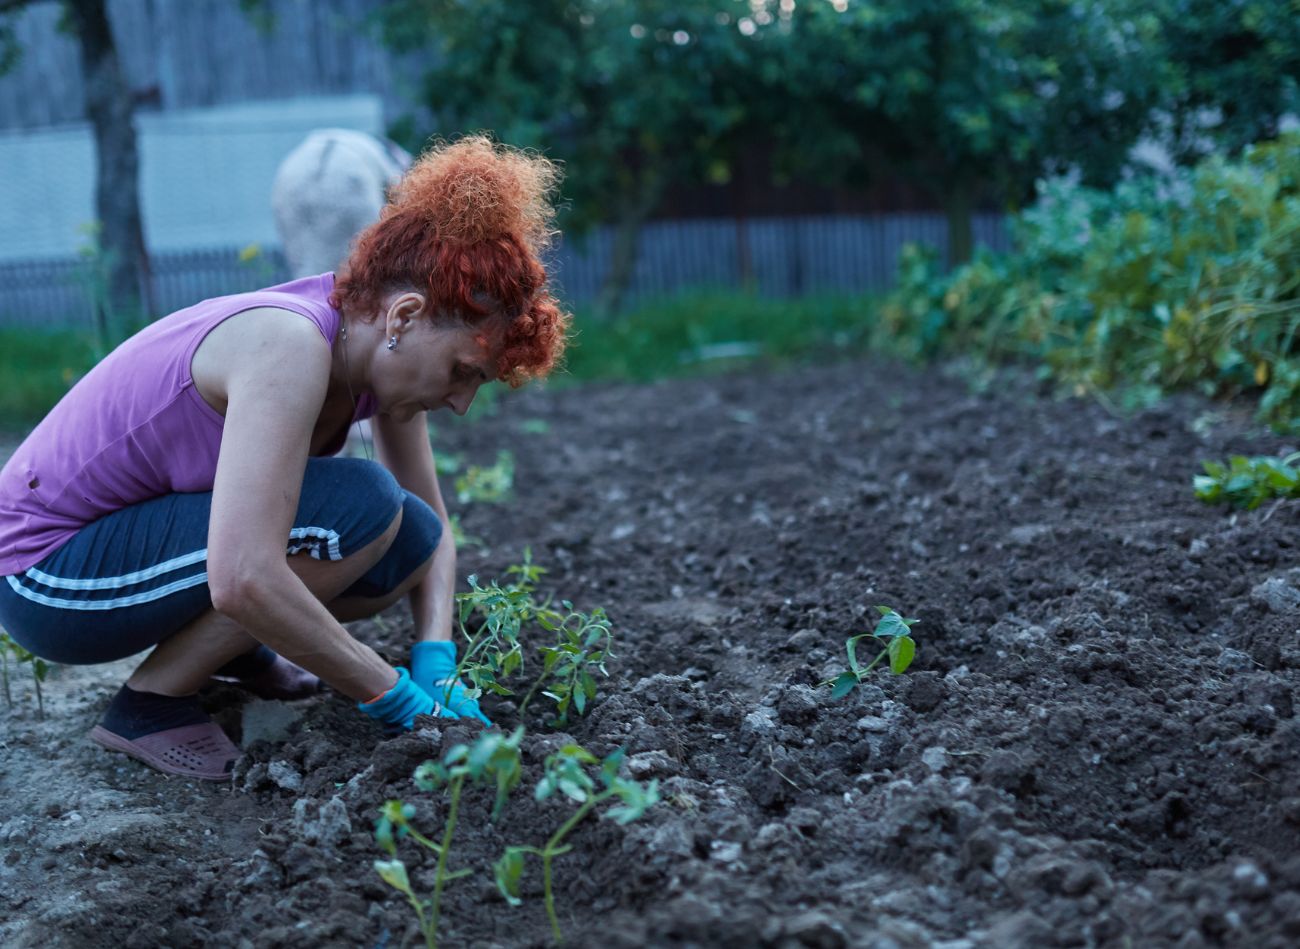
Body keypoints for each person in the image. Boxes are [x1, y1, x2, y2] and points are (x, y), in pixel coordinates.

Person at [0, 136, 569, 781]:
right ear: (404, 316)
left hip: (132, 547)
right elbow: (242, 575)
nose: (462, 402)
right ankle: (150, 704)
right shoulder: (290, 344)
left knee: (407, 535)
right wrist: (397, 698)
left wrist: (434, 652)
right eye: (462, 372)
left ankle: (236, 653)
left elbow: (434, 537)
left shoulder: (373, 359)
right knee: (360, 509)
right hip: (46, 576)